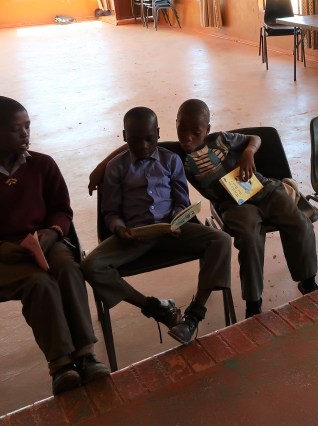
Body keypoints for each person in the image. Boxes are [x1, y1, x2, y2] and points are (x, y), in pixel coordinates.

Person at [87, 99, 318, 333]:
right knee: (249, 237)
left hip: (263, 190)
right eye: (181, 130)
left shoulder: (217, 140)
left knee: (299, 222)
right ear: (174, 125)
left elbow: (256, 139)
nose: (187, 138)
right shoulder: (175, 153)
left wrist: (248, 152)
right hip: (234, 205)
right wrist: (101, 168)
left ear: (207, 130)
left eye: (195, 132)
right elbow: (137, 143)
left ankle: (308, 282)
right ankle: (253, 303)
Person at [0, 96, 110, 395]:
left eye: (27, 126)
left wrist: (52, 232)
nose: (25, 134)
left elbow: (62, 209)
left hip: (45, 242)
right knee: (39, 284)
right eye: (15, 129)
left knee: (69, 269)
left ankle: (86, 354)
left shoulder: (43, 165)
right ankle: (61, 364)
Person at [81, 106, 232, 345]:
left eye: (149, 139)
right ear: (124, 136)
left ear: (158, 134)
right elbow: (110, 212)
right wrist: (120, 229)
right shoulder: (116, 168)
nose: (142, 146)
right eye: (134, 140)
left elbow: (181, 199)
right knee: (91, 265)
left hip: (172, 231)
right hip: (134, 236)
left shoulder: (171, 160)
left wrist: (177, 218)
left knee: (220, 240)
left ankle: (194, 315)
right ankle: (156, 308)